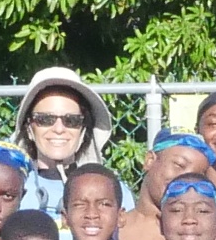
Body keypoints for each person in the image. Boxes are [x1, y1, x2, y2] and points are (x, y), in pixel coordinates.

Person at [10, 66, 132, 223]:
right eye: (45, 119)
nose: (59, 129)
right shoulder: (9, 190)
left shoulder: (112, 191)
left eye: (71, 120)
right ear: (28, 128)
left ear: (83, 129)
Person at [115, 131, 216, 240]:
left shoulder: (203, 235)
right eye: (179, 165)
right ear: (149, 160)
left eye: (196, 175)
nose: (184, 178)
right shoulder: (112, 227)